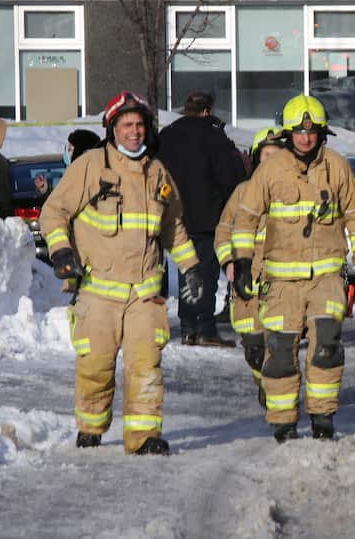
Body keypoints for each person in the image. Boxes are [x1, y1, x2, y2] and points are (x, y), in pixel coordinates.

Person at [40, 91, 205, 455]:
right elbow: (54, 212)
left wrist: (191, 269)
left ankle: (145, 437)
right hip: (99, 292)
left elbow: (173, 227)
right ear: (113, 128)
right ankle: (91, 426)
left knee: (146, 367)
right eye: (127, 125)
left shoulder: (158, 172)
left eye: (140, 124)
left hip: (145, 294)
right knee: (96, 366)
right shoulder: (90, 166)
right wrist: (61, 251)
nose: (134, 132)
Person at [230, 95, 355, 443]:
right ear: (288, 134)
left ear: (321, 133)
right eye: (298, 132)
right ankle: (283, 423)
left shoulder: (337, 166)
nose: (305, 138)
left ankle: (323, 418)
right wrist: (244, 262)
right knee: (279, 351)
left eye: (311, 132)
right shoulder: (270, 171)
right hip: (281, 283)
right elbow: (246, 218)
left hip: (327, 279)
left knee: (327, 346)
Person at [157, 91, 246, 347]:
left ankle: (187, 326)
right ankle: (205, 327)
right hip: (208, 217)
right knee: (205, 274)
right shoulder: (214, 135)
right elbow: (232, 176)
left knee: (187, 271)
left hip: (175, 217)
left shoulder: (168, 135)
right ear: (207, 110)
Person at [215, 127, 288, 407]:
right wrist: (229, 262)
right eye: (267, 155)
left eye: (277, 155)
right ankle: (263, 379)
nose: (271, 161)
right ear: (257, 159)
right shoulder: (243, 192)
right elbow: (224, 231)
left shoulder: (294, 191)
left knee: (281, 344)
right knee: (254, 347)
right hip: (248, 282)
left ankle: (278, 390)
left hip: (282, 280)